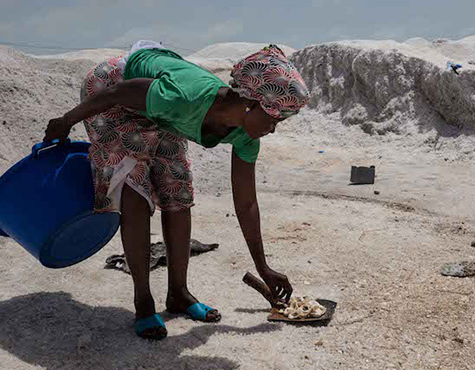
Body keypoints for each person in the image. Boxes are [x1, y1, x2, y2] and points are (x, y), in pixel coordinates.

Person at [43, 41, 310, 339]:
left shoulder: (245, 137)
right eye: (274, 117)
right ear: (249, 101)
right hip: (113, 88)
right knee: (135, 191)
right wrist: (67, 120)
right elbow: (117, 94)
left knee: (177, 192)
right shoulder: (184, 97)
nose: (274, 128)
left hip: (160, 109)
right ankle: (143, 302)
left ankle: (179, 294)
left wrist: (264, 267)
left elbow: (246, 204)